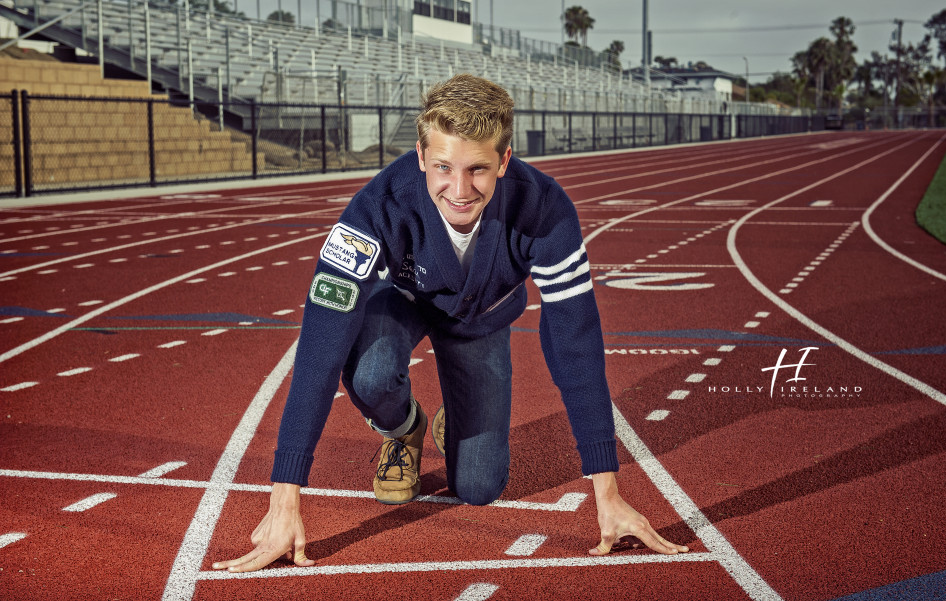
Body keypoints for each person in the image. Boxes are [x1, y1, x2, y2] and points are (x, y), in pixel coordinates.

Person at [214, 74, 688, 573]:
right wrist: (284, 502)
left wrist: (607, 494)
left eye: (478, 169)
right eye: (443, 167)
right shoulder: (377, 208)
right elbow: (318, 346)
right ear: (420, 157)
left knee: (480, 487)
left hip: (479, 320)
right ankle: (405, 429)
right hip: (400, 301)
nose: (459, 191)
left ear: (504, 161)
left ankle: (457, 424)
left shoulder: (545, 209)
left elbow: (575, 344)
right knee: (368, 371)